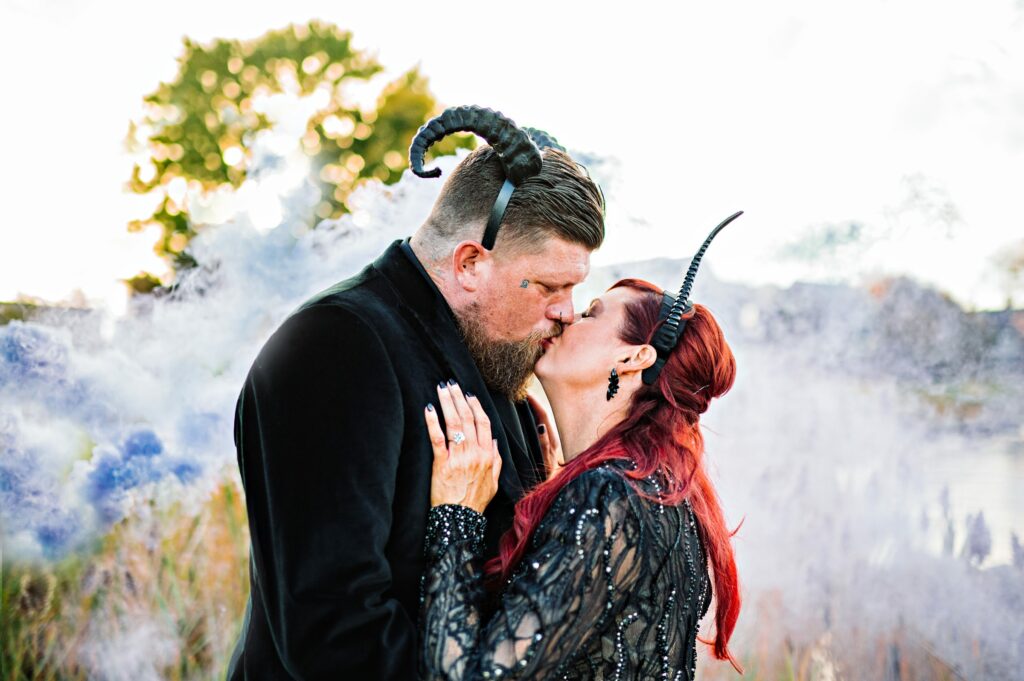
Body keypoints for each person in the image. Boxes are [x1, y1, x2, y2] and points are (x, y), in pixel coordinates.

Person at [226, 106, 604, 680]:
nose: (566, 312)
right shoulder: (333, 346)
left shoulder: (497, 358)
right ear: (471, 262)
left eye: (575, 288)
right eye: (551, 286)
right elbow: (335, 638)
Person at [419, 214, 745, 680]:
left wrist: (457, 513)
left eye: (592, 313)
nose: (567, 315)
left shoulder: (607, 498)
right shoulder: (654, 490)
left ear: (634, 358)